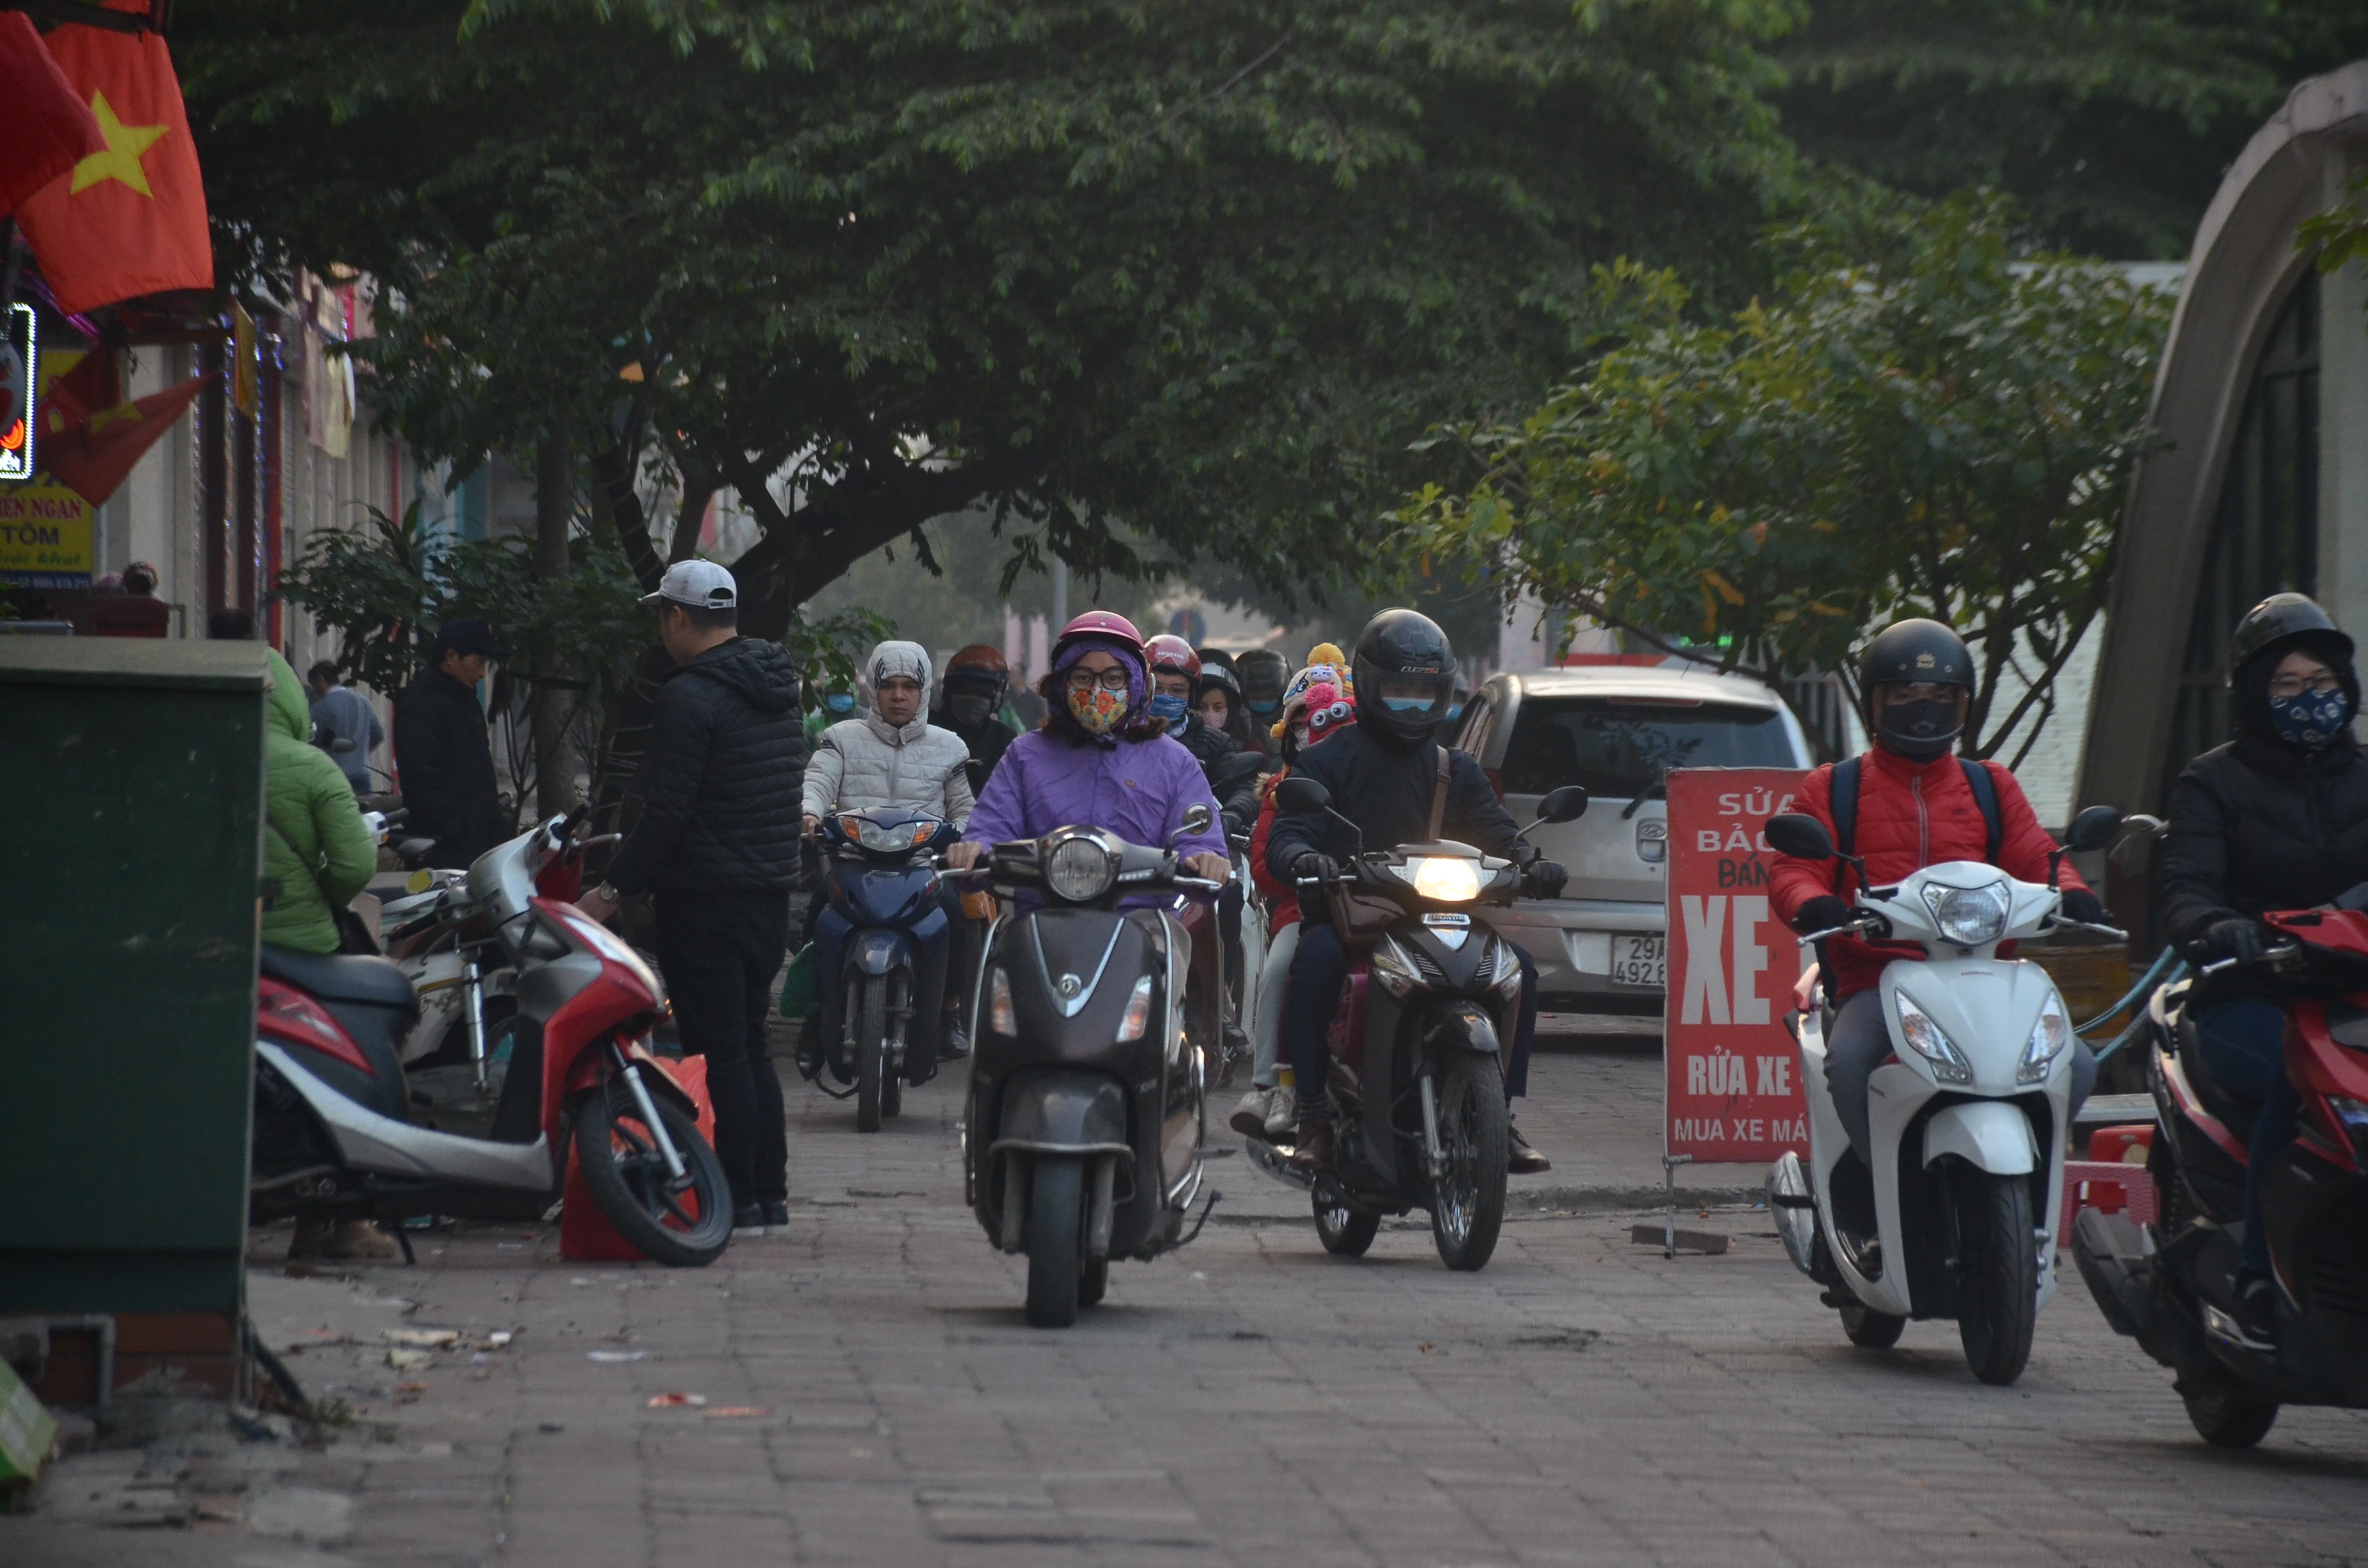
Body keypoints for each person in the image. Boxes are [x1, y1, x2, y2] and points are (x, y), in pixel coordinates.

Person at [1768, 618, 2106, 1193]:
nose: (1922, 707)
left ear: (1963, 704)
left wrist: (2073, 893)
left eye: (1941, 694)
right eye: (1904, 693)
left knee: (2075, 1064)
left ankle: (2028, 1191)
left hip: (1985, 977)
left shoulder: (1990, 786)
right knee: (1848, 1064)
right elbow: (1794, 869)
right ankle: (1876, 1188)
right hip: (1877, 981)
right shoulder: (1834, 788)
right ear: (1874, 702)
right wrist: (1813, 902)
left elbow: (2038, 855)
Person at [1266, 611, 1564, 1174]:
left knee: (1518, 970)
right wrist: (1305, 857)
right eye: (1398, 692)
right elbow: (1289, 832)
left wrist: (1532, 863)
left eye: (1423, 694)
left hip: (1443, 918)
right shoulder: (1327, 760)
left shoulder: (1456, 769)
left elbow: (1499, 832)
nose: (1411, 705)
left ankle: (1499, 1115)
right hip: (1355, 921)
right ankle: (1313, 1115)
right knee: (1314, 964)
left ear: (1442, 693)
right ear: (1369, 685)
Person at [2158, 592, 2368, 1346]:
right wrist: (2219, 928)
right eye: (2287, 684)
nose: (2310, 697)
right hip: (2252, 998)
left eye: (2322, 681)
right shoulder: (2211, 783)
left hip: (2354, 999)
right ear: (2253, 693)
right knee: (2298, 1083)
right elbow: (2184, 888)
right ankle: (2258, 1279)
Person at [576, 562, 803, 1237]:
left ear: (678, 617)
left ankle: (734, 1198)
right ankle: (768, 1197)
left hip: (706, 899)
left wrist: (611, 891)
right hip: (768, 895)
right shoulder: (777, 687)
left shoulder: (690, 695)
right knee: (751, 1045)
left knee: (720, 1050)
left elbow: (667, 812)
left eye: (662, 617)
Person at [259, 647, 388, 1261]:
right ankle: (334, 1223)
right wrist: (326, 896)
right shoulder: (311, 768)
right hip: (306, 953)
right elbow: (356, 864)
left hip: (227, 951)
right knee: (338, 1074)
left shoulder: (195, 757)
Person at [948, 610, 1228, 887]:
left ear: (1136, 685)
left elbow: (1198, 841)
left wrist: (1205, 861)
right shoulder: (1025, 755)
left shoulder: (1175, 762)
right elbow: (992, 827)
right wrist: (975, 851)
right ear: (1062, 684)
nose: (1097, 691)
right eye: (1083, 678)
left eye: (1113, 679)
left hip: (1142, 913)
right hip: (1039, 913)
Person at [801, 639, 977, 1068]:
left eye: (909, 687)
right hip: (854, 864)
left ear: (924, 691)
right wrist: (809, 814)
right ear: (873, 690)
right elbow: (819, 781)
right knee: (817, 915)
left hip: (923, 869)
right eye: (889, 686)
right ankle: (815, 1015)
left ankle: (949, 1013)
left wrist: (965, 840)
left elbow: (965, 808)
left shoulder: (951, 746)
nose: (899, 696)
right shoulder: (841, 738)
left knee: (956, 918)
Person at [1228, 667, 1350, 1139]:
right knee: (1281, 969)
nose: (1311, 731)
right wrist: (1304, 865)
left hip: (1372, 908)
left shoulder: (1370, 774)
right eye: (1301, 722)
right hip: (1302, 910)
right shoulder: (1282, 791)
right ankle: (1272, 1084)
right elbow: (1263, 867)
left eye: (1326, 719)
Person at [393, 619, 506, 869]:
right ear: (452, 657)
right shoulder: (421, 703)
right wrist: (453, 831)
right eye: (478, 662)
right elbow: (422, 779)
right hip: (443, 848)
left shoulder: (466, 699)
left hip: (480, 841)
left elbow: (479, 771)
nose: (482, 673)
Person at [939, 642, 1022, 786]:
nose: (973, 698)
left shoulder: (1003, 739)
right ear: (949, 691)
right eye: (966, 690)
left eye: (982, 693)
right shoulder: (928, 730)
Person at [308, 660, 384, 793]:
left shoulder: (320, 709)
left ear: (321, 680)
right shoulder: (362, 701)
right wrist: (361, 753)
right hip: (362, 774)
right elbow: (378, 734)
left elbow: (312, 743)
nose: (314, 691)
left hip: (334, 776)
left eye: (314, 685)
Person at [90, 560, 169, 638]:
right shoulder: (110, 585)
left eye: (143, 584)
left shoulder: (156, 606)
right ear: (126, 583)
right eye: (135, 582)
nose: (139, 587)